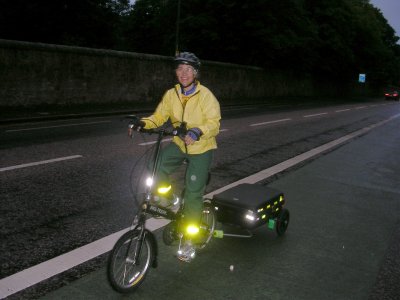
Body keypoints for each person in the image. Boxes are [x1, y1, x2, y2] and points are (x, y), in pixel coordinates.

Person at [129, 52, 221, 262]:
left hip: (201, 148)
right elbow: (159, 116)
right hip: (180, 144)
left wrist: (198, 131)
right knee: (155, 166)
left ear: (195, 73)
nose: (184, 73)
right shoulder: (172, 94)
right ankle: (169, 198)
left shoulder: (206, 95)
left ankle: (189, 240)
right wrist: (143, 123)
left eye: (189, 69)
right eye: (180, 69)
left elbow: (214, 122)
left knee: (193, 195)